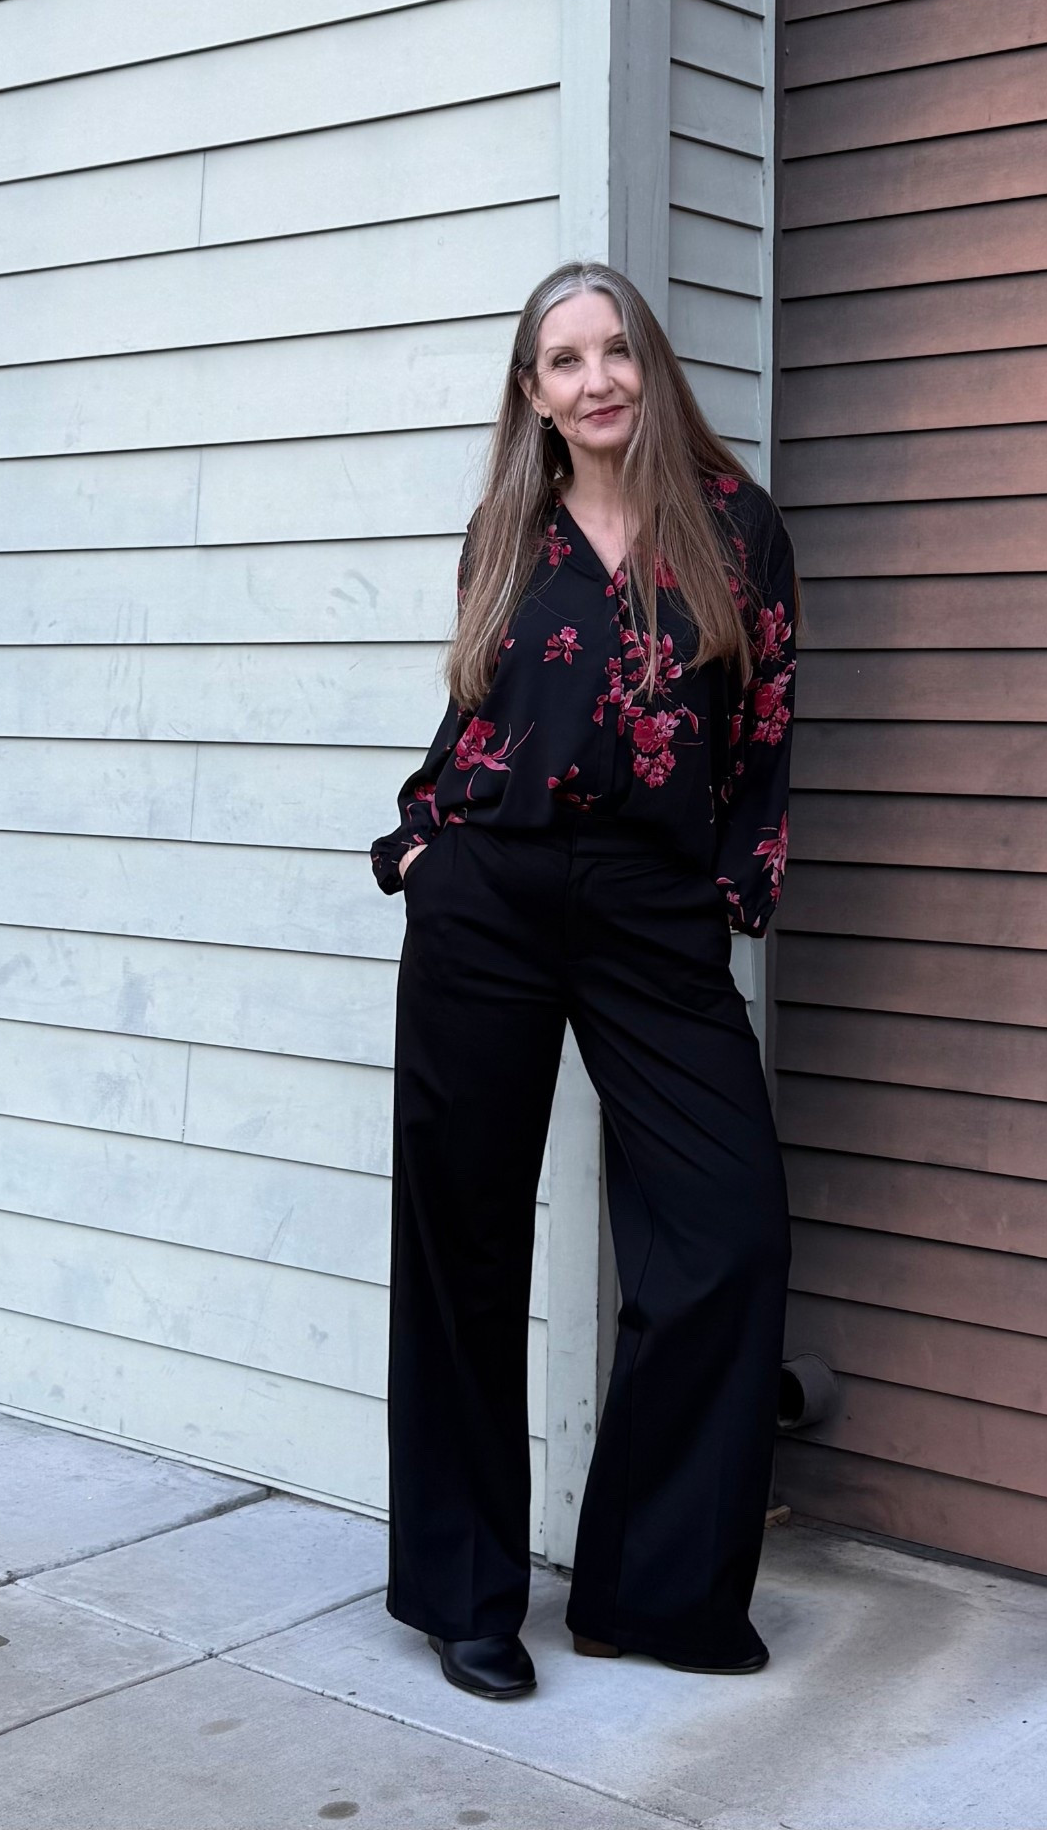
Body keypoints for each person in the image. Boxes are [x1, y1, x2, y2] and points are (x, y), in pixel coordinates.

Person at [370, 260, 800, 1701]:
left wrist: (731, 888)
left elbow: (767, 735)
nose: (595, 379)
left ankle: (647, 1590)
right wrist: (428, 849)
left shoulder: (735, 528)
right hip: (487, 894)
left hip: (649, 906)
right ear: (532, 394)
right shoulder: (511, 528)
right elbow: (476, 714)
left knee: (724, 1234)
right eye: (563, 361)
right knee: (465, 1246)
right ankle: (466, 1593)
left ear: (648, 365)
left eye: (615, 350)